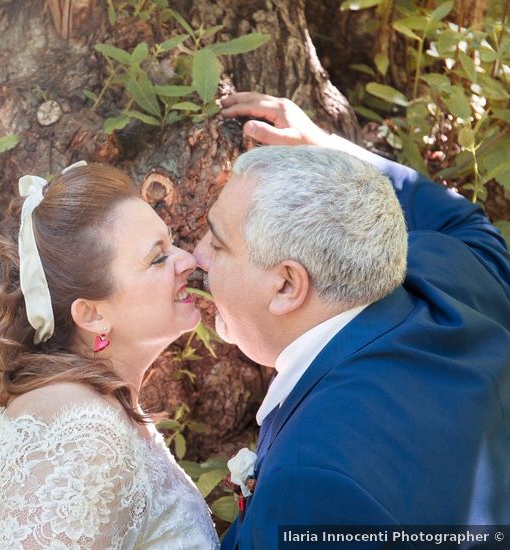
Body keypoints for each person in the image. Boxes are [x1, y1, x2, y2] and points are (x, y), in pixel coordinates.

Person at [193, 92, 510, 549]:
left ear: (286, 285)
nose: (196, 254)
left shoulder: (313, 481)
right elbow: (467, 225)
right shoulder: (452, 269)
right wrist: (326, 147)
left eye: (218, 244)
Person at [0, 162, 220, 549]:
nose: (187, 260)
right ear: (92, 314)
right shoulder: (82, 436)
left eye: (171, 243)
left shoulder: (92, 412)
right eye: (158, 258)